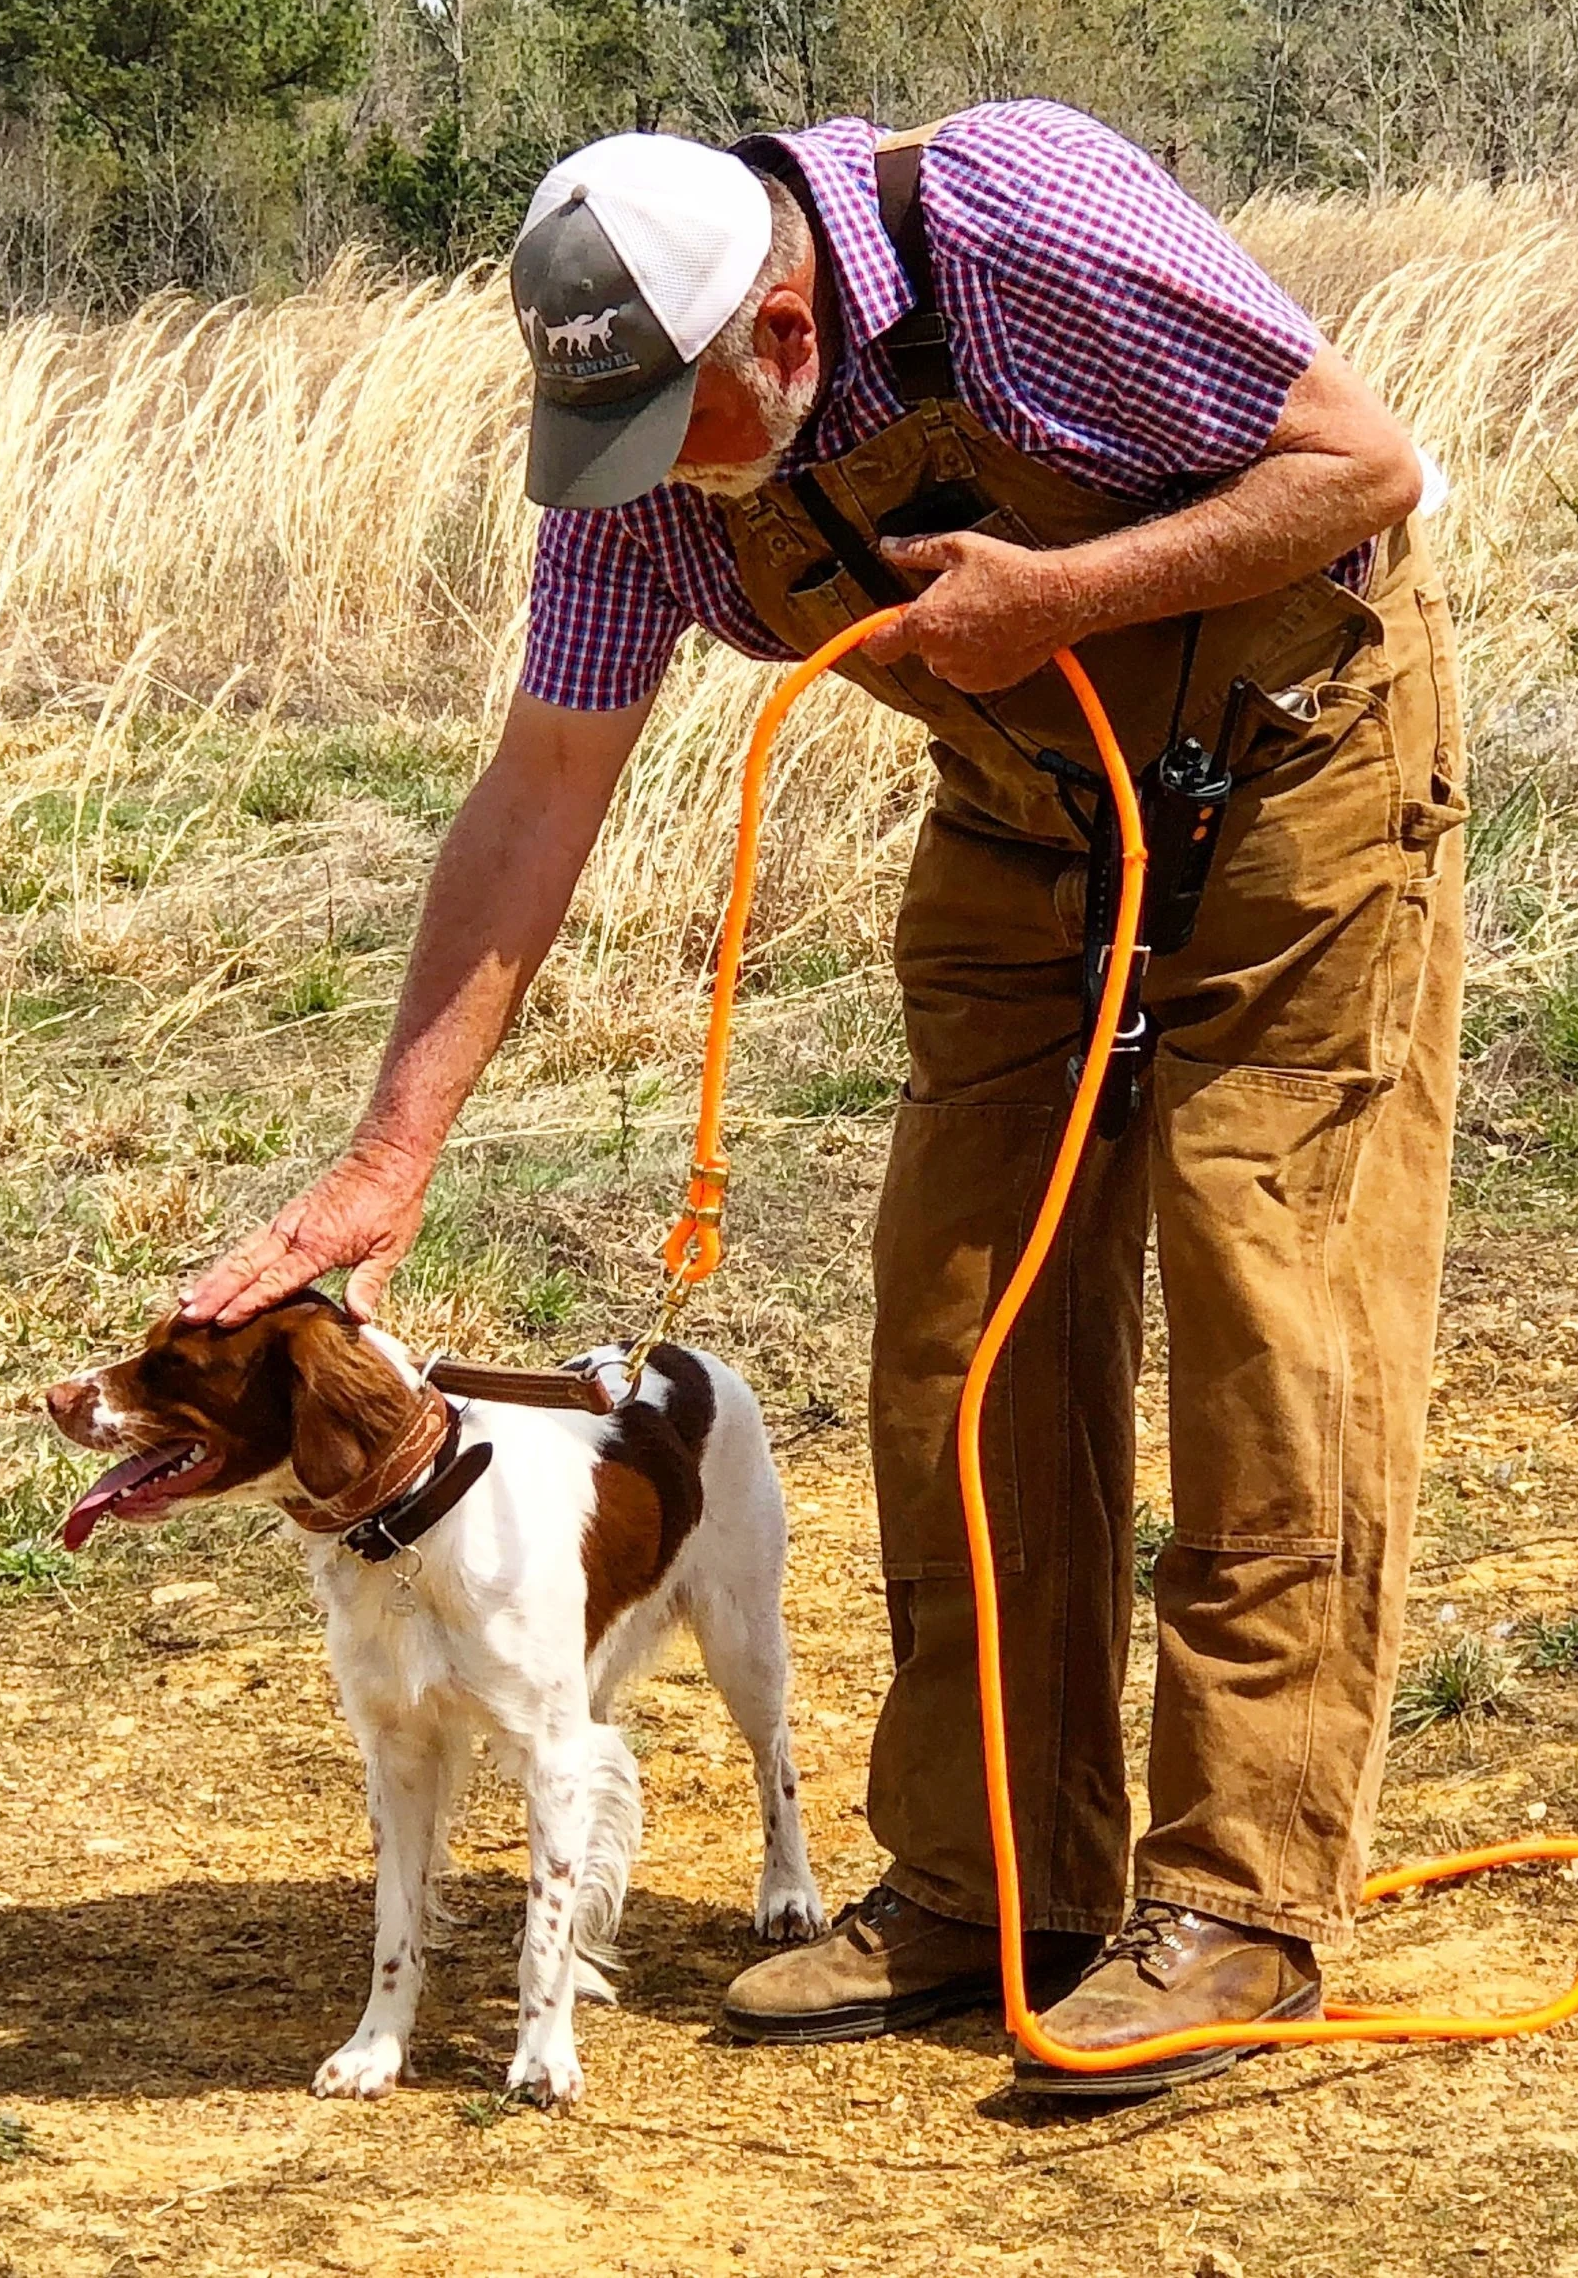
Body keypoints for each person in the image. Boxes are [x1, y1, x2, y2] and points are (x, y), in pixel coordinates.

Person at [182, 101, 1465, 2100]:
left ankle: (1238, 1901)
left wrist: (1063, 596)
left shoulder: (1015, 222)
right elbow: (538, 793)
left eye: (680, 434)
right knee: (956, 1346)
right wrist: (385, 1154)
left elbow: (1365, 468)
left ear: (785, 329)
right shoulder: (628, 476)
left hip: (1300, 773)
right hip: (1023, 816)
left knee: (1261, 1329)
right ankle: (990, 1878)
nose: (652, 494)